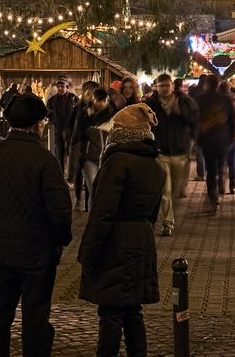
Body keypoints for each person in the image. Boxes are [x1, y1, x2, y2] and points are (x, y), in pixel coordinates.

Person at [0, 93, 71, 357]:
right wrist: (59, 239)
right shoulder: (45, 160)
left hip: (2, 251)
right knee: (35, 317)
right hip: (38, 254)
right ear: (38, 125)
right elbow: (60, 212)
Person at [77, 103, 165, 357]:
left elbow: (102, 212)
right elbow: (153, 212)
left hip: (116, 241)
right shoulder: (155, 165)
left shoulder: (117, 162)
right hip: (142, 239)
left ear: (123, 131)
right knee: (132, 311)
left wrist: (88, 252)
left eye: (116, 126)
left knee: (111, 312)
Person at [144, 73, 196, 237]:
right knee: (165, 191)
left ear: (172, 86)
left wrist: (180, 112)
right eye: (161, 86)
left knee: (177, 190)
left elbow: (194, 122)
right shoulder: (150, 104)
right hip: (161, 152)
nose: (164, 89)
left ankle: (170, 213)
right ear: (156, 87)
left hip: (180, 151)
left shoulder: (184, 101)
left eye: (167, 85)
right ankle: (167, 223)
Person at [193, 74, 234, 213]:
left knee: (210, 170)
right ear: (217, 84)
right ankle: (221, 178)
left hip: (207, 139)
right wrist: (230, 138)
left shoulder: (200, 100)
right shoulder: (226, 100)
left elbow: (195, 122)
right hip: (223, 139)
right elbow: (232, 122)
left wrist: (197, 139)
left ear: (206, 84)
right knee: (221, 164)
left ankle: (213, 198)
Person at [77, 88, 116, 208]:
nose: (101, 103)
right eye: (99, 100)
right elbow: (77, 137)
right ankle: (93, 220)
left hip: (108, 157)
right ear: (93, 100)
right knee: (95, 189)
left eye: (104, 100)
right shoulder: (84, 115)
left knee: (106, 191)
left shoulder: (113, 114)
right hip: (90, 157)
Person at [67, 81, 102, 211]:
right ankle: (78, 199)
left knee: (92, 181)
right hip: (78, 146)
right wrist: (69, 140)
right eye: (88, 92)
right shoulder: (77, 108)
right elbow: (70, 126)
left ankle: (88, 206)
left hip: (92, 149)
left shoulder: (100, 109)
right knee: (78, 175)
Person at [45, 79, 78, 173]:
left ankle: (72, 175)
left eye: (62, 87)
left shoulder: (73, 98)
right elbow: (47, 112)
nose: (60, 88)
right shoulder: (52, 100)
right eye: (58, 87)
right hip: (58, 129)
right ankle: (60, 173)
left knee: (71, 152)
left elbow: (80, 111)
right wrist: (52, 117)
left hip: (71, 130)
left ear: (67, 88)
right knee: (59, 152)